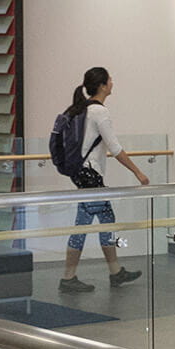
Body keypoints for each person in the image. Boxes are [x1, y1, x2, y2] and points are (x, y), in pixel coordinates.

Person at [59, 66, 148, 294]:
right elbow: (115, 148)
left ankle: (113, 271)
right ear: (102, 85)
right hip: (90, 175)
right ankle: (72, 276)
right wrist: (138, 172)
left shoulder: (82, 110)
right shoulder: (99, 112)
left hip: (81, 173)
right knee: (96, 222)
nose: (112, 82)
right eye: (109, 79)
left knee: (99, 220)